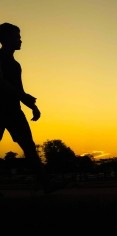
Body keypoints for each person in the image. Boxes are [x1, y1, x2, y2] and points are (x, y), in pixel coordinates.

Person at [0, 22, 58, 193]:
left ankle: (45, 184)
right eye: (17, 36)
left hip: (13, 110)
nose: (20, 40)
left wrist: (32, 105)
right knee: (29, 148)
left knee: (30, 147)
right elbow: (1, 82)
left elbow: (20, 91)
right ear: (5, 38)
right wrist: (24, 98)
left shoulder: (16, 65)